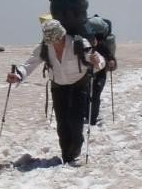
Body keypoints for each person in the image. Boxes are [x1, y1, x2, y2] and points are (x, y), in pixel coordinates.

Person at [7, 19, 105, 164]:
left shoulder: (79, 44)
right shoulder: (45, 47)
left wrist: (98, 62)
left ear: (62, 35)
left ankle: (76, 148)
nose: (55, 43)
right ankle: (66, 156)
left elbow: (98, 60)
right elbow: (30, 63)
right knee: (62, 123)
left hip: (79, 84)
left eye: (57, 39)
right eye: (51, 40)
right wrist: (18, 75)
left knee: (75, 121)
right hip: (58, 86)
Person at [87, 21, 117, 125]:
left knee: (93, 95)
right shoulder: (96, 45)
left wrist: (111, 61)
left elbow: (111, 58)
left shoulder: (101, 45)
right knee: (93, 95)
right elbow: (111, 58)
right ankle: (91, 117)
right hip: (96, 75)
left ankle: (92, 118)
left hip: (98, 74)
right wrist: (111, 61)